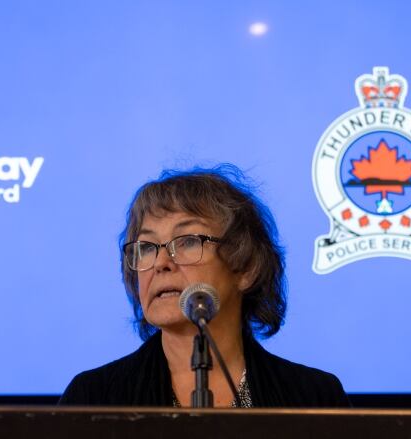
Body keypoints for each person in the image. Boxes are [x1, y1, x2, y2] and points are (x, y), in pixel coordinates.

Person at [59, 164, 349, 407]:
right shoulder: (92, 399)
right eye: (146, 247)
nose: (161, 262)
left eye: (186, 241)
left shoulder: (314, 398)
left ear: (246, 267)